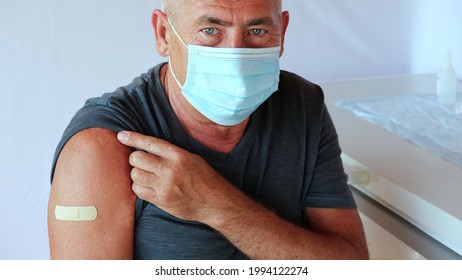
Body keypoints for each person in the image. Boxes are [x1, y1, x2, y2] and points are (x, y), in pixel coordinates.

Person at [48, 0, 369, 260]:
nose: (236, 56)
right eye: (210, 29)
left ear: (282, 32)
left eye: (257, 30)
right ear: (163, 33)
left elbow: (351, 264)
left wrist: (215, 205)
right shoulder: (101, 147)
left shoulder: (302, 106)